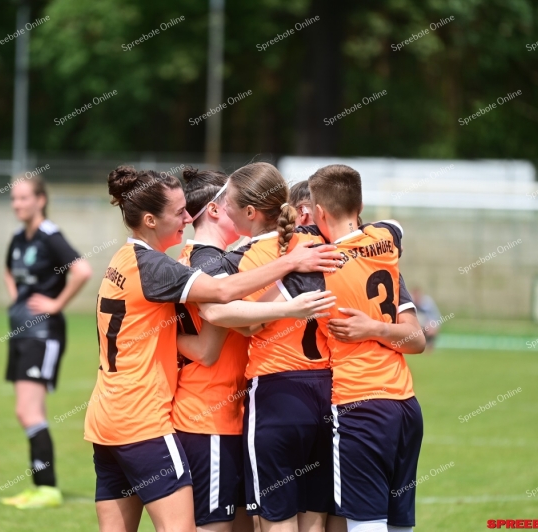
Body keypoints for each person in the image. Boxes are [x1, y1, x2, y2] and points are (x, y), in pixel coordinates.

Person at [85, 166, 340, 532]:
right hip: (164, 420)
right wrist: (290, 273)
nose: (187, 218)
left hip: (109, 416)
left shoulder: (126, 262)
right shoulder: (175, 265)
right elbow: (219, 305)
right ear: (149, 219)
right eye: (178, 213)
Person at [174, 167, 334, 532]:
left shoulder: (238, 261)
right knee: (315, 519)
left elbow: (226, 314)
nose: (225, 209)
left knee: (275, 522)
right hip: (327, 390)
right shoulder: (314, 242)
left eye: (229, 202)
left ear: (249, 213)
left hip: (274, 395)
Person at [280, 164, 425, 532]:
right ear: (360, 206)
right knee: (400, 525)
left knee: (366, 524)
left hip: (360, 407)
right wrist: (379, 327)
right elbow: (394, 227)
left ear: (319, 213)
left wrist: (369, 328)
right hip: (405, 406)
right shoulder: (387, 241)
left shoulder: (318, 265)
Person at [1, 175, 92, 509]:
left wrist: (55, 304)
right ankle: (40, 486)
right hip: (21, 333)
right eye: (13, 199)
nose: (17, 204)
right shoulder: (17, 238)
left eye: (24, 198)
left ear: (41, 199)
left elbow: (82, 269)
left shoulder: (49, 236)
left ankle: (48, 489)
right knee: (24, 411)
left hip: (44, 335)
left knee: (28, 410)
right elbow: (8, 272)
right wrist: (18, 303)